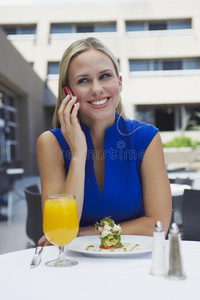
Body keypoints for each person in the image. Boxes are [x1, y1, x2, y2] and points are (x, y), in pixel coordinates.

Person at [37, 37, 172, 246]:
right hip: (74, 265)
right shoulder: (50, 143)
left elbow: (157, 225)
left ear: (119, 82)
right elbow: (60, 228)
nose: (97, 89)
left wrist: (85, 233)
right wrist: (78, 154)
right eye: (83, 80)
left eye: (105, 76)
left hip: (134, 261)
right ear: (68, 92)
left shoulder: (146, 138)